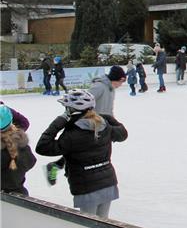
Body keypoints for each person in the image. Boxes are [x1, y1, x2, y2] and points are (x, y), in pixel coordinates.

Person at [36, 90, 128, 218]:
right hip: (108, 183)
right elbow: (122, 133)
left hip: (87, 187)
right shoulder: (105, 126)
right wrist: (105, 117)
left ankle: (56, 165)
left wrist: (60, 120)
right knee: (103, 224)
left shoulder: (71, 135)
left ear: (70, 110)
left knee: (89, 226)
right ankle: (57, 165)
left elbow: (42, 147)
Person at [1, 105, 36, 195]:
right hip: (19, 191)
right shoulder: (21, 144)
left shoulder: (3, 153)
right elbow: (31, 161)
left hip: (5, 196)